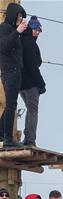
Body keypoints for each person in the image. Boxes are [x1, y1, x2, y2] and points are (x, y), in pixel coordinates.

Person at [0, 3, 28, 148]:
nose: (20, 18)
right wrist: (17, 31)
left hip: (15, 72)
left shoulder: (11, 30)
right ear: (13, 15)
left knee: (11, 105)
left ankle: (2, 135)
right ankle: (7, 140)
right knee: (11, 105)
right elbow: (4, 46)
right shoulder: (4, 28)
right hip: (9, 71)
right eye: (19, 15)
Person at [18, 15, 42, 147]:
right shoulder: (30, 44)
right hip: (31, 84)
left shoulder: (20, 40)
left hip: (21, 84)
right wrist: (41, 84)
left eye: (39, 30)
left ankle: (27, 138)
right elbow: (33, 66)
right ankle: (30, 140)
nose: (37, 32)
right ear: (30, 29)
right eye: (35, 29)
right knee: (33, 111)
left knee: (29, 109)